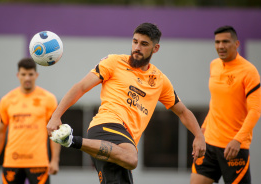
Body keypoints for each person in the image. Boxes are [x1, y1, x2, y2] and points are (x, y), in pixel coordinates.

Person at [47, 22, 206, 184]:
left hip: (120, 146)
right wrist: (56, 115)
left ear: (155, 48)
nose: (137, 47)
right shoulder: (114, 62)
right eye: (135, 41)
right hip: (106, 126)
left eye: (144, 44)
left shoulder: (160, 80)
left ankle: (73, 140)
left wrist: (199, 136)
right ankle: (71, 140)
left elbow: (183, 111)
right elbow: (81, 87)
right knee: (131, 158)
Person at [191, 26, 261, 184]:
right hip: (209, 144)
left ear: (236, 44)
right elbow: (215, 104)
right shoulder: (214, 65)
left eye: (225, 42)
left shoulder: (249, 71)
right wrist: (200, 132)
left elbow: (255, 110)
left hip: (233, 148)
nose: (220, 46)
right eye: (217, 42)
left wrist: (238, 140)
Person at [0, 58, 61, 184]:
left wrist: (55, 160)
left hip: (38, 162)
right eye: (23, 74)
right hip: (12, 161)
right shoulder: (7, 100)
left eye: (30, 74)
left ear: (36, 75)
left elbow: (55, 132)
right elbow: (0, 133)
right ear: (18, 75)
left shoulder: (49, 99)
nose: (27, 78)